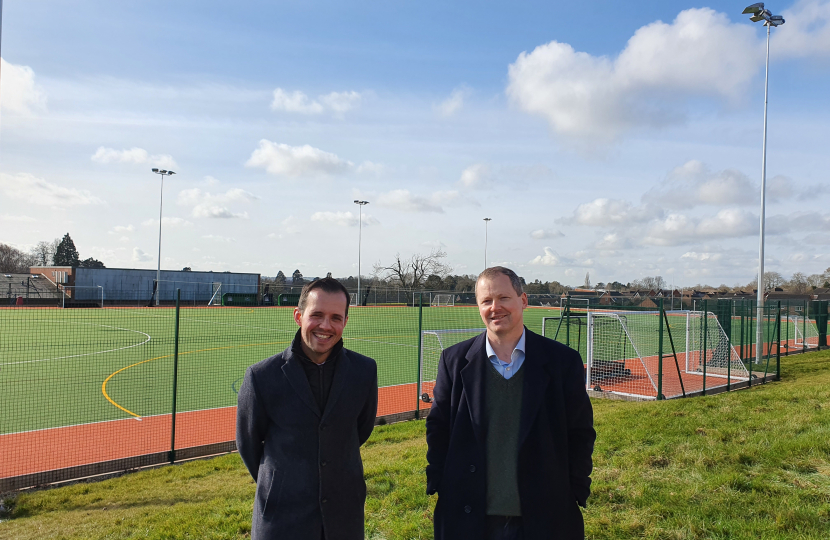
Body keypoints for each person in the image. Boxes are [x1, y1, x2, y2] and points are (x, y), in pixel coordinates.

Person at [425, 266, 595, 540]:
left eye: (503, 298)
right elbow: (438, 427)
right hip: (469, 517)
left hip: (544, 517)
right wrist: (438, 480)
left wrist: (576, 488)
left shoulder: (563, 362)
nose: (495, 308)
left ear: (523, 300)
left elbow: (580, 433)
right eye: (486, 301)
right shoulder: (453, 361)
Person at [236, 277, 378, 540]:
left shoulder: (364, 371)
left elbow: (361, 430)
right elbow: (249, 444)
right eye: (317, 315)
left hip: (343, 516)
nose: (326, 326)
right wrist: (281, 485)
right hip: (282, 519)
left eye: (336, 317)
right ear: (298, 316)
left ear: (345, 321)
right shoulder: (262, 376)